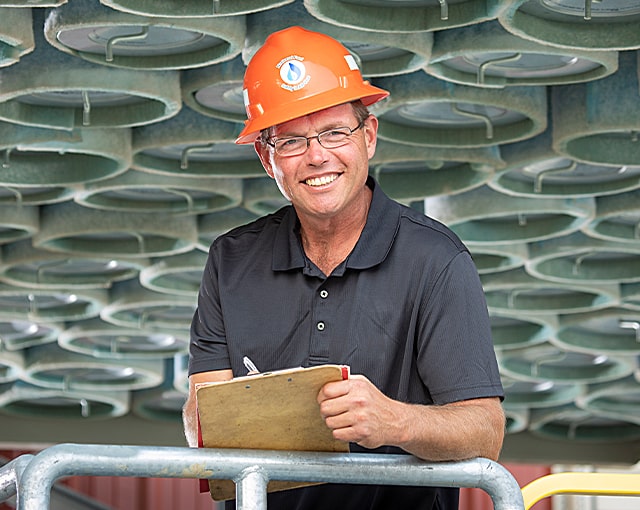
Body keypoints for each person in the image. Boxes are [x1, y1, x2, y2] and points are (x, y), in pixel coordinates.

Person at [183, 26, 505, 510]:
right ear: (266, 158)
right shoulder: (230, 262)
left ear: (369, 136)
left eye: (334, 132)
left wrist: (394, 422)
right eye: (291, 142)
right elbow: (202, 418)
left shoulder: (435, 260)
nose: (317, 156)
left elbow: (485, 431)